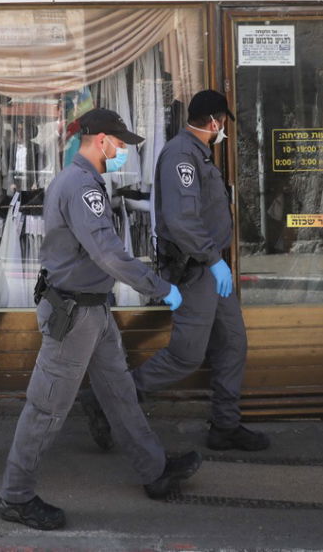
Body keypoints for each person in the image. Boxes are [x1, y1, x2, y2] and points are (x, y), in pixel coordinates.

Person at [0, 108, 199, 531]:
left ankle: (154, 469)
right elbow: (108, 253)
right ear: (101, 140)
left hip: (91, 308)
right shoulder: (81, 186)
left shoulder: (81, 181)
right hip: (75, 315)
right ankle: (15, 497)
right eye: (120, 143)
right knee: (46, 408)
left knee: (120, 393)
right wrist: (159, 287)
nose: (123, 151)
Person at [80, 89, 268, 453]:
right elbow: (182, 221)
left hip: (212, 268)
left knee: (232, 343)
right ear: (215, 121)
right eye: (223, 122)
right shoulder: (181, 155)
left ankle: (225, 425)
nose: (224, 128)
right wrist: (213, 260)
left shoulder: (197, 153)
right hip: (197, 268)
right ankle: (107, 400)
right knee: (186, 355)